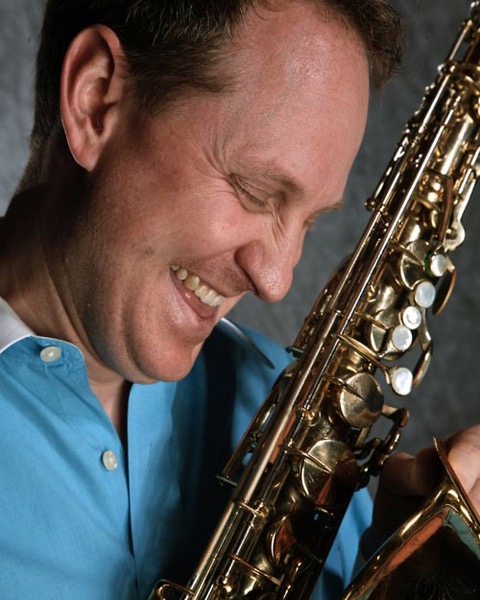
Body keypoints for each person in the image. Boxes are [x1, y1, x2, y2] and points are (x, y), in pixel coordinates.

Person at [1, 0, 479, 598]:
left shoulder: (300, 425)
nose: (274, 280)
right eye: (255, 190)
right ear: (96, 99)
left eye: (308, 221)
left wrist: (395, 576)